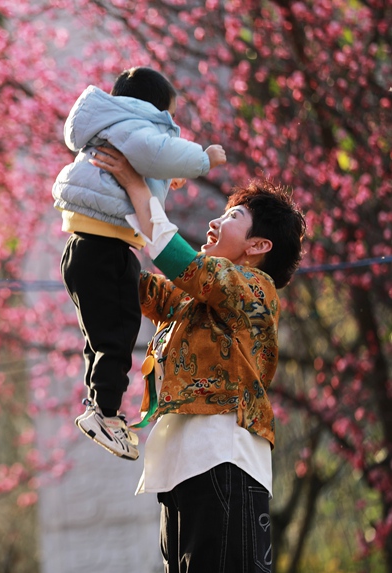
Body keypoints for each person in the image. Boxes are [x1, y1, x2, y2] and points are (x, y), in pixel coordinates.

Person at [92, 146, 305, 572]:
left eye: (232, 217)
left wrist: (137, 186)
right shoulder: (192, 299)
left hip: (225, 464)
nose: (214, 223)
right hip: (181, 474)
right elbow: (132, 284)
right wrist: (91, 232)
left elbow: (179, 261)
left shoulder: (255, 289)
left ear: (258, 245)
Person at [52, 66, 227, 459]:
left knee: (100, 338)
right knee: (118, 335)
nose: (171, 125)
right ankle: (105, 413)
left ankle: (99, 407)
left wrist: (166, 179)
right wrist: (203, 158)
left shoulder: (109, 124)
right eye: (171, 115)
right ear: (154, 108)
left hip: (81, 247)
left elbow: (144, 166)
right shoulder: (137, 127)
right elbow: (157, 153)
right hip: (108, 249)